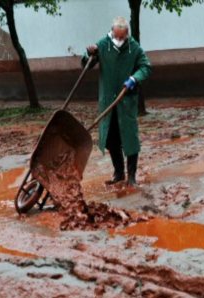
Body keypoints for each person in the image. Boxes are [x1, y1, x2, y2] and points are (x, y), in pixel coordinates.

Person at [82, 16, 151, 186]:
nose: (119, 40)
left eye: (122, 37)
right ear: (112, 32)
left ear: (127, 34)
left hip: (126, 100)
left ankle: (132, 177)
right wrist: (89, 54)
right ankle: (119, 173)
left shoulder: (133, 48)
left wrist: (134, 79)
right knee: (111, 139)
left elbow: (146, 67)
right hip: (108, 101)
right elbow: (87, 64)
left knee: (129, 138)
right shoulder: (103, 44)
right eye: (116, 36)